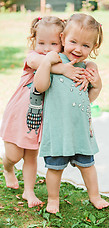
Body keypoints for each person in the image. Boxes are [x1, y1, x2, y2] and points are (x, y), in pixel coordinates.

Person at [0, 16, 87, 208]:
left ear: (62, 42)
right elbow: (40, 61)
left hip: (38, 121)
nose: (47, 48)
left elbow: (83, 64)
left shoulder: (62, 61)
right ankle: (7, 167)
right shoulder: (34, 58)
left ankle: (28, 191)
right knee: (14, 156)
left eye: (53, 43)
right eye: (41, 42)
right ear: (34, 41)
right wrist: (62, 69)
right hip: (17, 116)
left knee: (30, 156)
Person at [34, 13, 109, 214]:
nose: (78, 48)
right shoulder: (55, 62)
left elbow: (90, 98)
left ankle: (94, 195)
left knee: (88, 166)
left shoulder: (87, 67)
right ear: (62, 39)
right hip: (57, 129)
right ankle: (53, 199)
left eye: (86, 45)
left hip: (80, 129)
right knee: (55, 169)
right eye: (73, 41)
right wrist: (47, 63)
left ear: (93, 47)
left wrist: (97, 84)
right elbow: (40, 87)